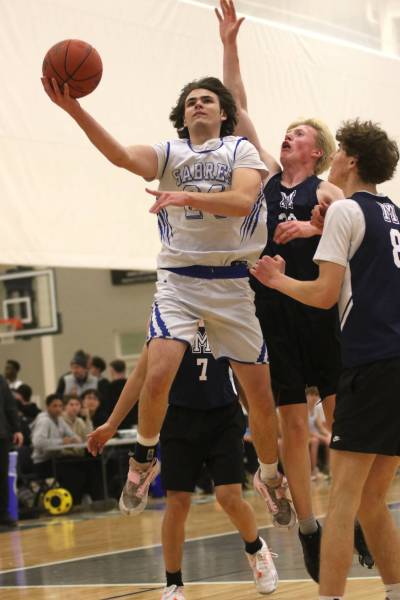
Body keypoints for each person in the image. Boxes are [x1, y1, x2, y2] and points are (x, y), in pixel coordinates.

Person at [42, 70, 294, 527]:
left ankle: (270, 476)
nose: (199, 104)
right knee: (158, 372)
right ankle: (143, 461)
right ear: (182, 113)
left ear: (223, 113)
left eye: (208, 100)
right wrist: (73, 108)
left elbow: (240, 200)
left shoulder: (240, 149)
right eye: (192, 100)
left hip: (232, 282)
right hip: (179, 279)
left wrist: (178, 195)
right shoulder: (168, 152)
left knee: (260, 395)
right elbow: (120, 156)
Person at [215, 0, 344, 581]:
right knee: (294, 423)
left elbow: (353, 229)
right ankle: (312, 528)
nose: (287, 138)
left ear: (317, 150)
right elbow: (238, 107)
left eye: (298, 134)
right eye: (286, 134)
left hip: (318, 304)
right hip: (271, 309)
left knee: (344, 422)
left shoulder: (329, 186)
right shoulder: (264, 176)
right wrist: (231, 45)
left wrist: (316, 226)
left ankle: (353, 511)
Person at [251, 118, 400, 600]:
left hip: (371, 363)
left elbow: (323, 294)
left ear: (351, 160)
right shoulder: (392, 213)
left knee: (343, 501)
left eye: (339, 154)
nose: (332, 159)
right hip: (395, 363)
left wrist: (278, 281)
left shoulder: (344, 213)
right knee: (373, 501)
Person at [88, 326, 278, 599]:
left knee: (228, 497)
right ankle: (173, 584)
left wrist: (259, 424)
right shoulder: (169, 325)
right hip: (178, 420)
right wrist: (111, 423)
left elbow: (246, 380)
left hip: (223, 418)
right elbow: (140, 376)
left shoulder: (223, 321)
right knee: (177, 502)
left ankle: (256, 549)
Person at [0, 375, 23, 528]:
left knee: (1, 475)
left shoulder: (0, 379)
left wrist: (16, 429)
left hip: (1, 435)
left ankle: (3, 513)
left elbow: (9, 405)